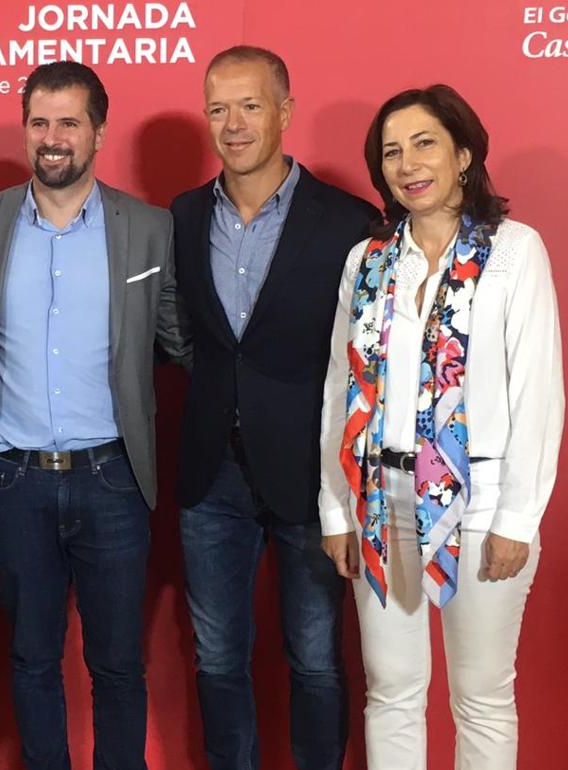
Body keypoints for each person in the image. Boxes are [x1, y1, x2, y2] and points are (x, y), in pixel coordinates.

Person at [319, 84, 563, 770]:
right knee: (392, 690)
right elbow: (342, 394)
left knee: (481, 694)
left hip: (482, 505)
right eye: (391, 151)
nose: (407, 163)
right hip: (384, 501)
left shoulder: (515, 251)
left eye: (424, 143)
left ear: (462, 153)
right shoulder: (366, 262)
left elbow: (540, 390)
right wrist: (335, 507)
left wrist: (518, 518)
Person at [0, 60, 190, 770]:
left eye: (69, 122)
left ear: (98, 131)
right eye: (39, 122)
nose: (52, 138)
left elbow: (180, 340)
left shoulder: (149, 229)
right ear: (24, 129)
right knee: (31, 657)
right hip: (14, 480)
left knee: (118, 664)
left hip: (112, 478)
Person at [170, 46, 378, 769]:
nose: (233, 124)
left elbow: (366, 360)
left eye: (250, 105)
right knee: (218, 660)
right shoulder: (184, 215)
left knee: (316, 661)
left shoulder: (352, 221)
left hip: (312, 476)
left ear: (285, 112)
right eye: (218, 108)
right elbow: (189, 338)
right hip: (210, 476)